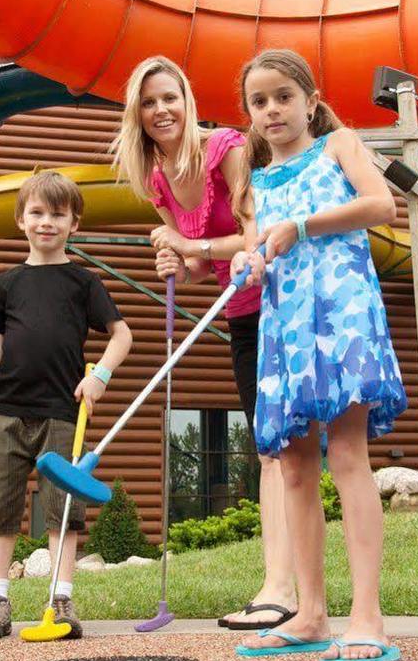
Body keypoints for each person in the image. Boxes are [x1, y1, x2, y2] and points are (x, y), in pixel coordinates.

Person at [109, 55, 298, 632]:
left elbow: (251, 234)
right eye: (149, 102)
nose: (161, 109)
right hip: (241, 315)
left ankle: (282, 588)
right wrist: (175, 259)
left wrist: (190, 248)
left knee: (285, 447)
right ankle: (283, 588)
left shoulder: (225, 149)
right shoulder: (158, 180)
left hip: (282, 303)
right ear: (136, 116)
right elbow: (196, 268)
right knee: (270, 446)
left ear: (187, 100)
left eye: (170, 97)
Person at [230, 49, 406, 661]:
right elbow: (254, 250)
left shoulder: (339, 146)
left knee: (349, 454)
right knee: (296, 468)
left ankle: (367, 615)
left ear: (309, 99)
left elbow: (381, 204)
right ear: (249, 114)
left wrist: (302, 226)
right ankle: (310, 613)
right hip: (286, 329)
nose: (272, 109)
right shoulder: (252, 183)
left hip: (342, 315)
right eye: (259, 101)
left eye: (283, 96)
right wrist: (245, 260)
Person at [0, 171, 133, 640]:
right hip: (7, 410)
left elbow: (122, 335)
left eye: (58, 214)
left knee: (64, 507)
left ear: (73, 223)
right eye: (37, 213)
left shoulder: (82, 282)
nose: (47, 222)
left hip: (63, 412)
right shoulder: (6, 285)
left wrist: (98, 376)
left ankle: (61, 599)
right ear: (21, 219)